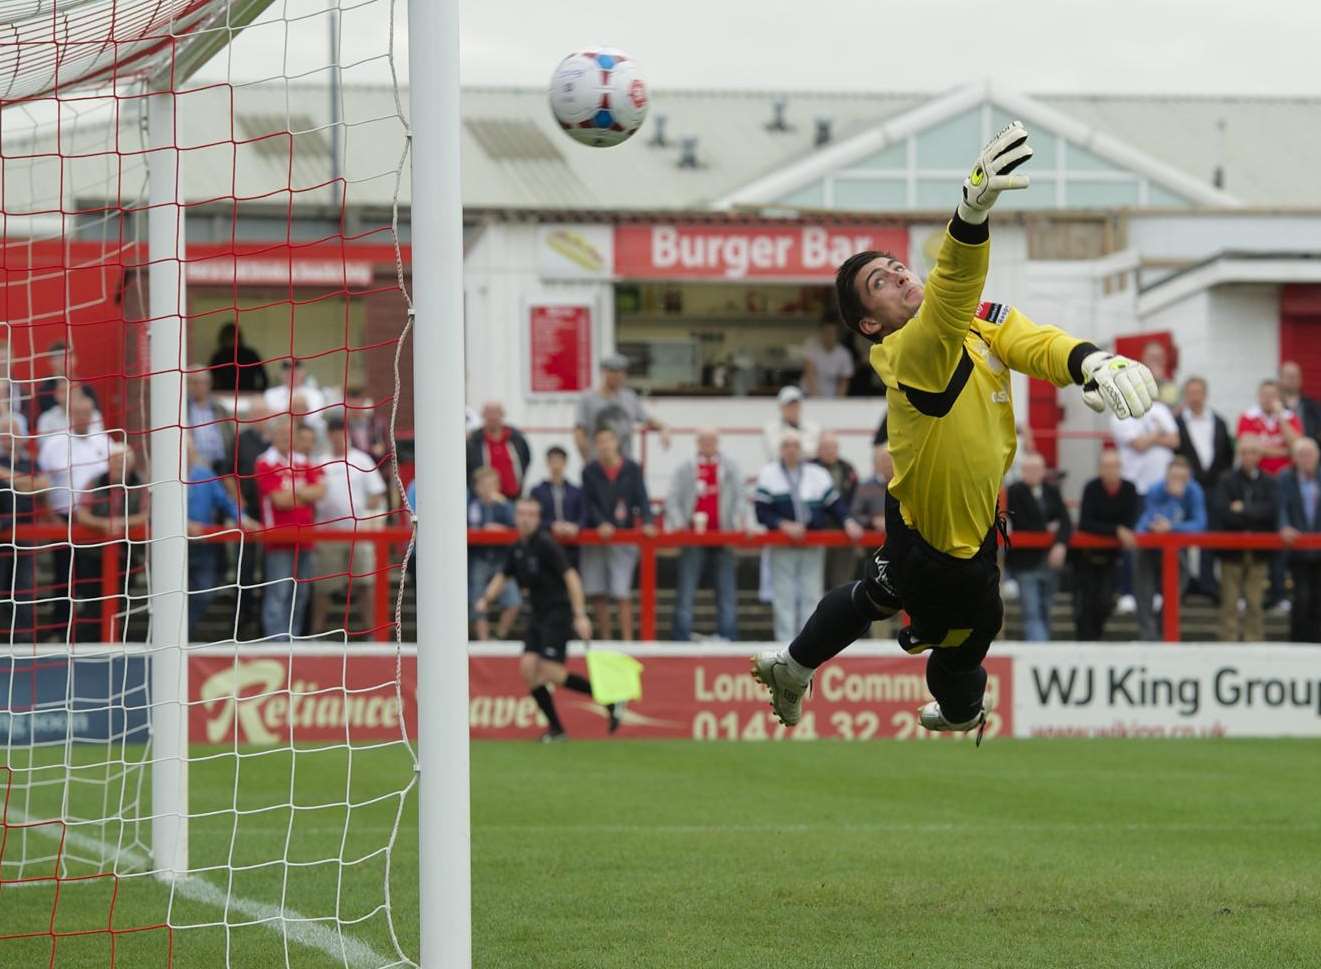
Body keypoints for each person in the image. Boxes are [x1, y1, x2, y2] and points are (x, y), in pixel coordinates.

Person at [750, 122, 1159, 739]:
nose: (898, 276)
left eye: (894, 267)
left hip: (920, 510)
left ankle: (794, 664)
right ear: (868, 326)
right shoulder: (907, 348)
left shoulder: (974, 320)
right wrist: (970, 214)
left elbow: (1033, 340)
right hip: (946, 547)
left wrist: (1088, 362)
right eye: (880, 284)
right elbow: (953, 286)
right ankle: (962, 710)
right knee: (966, 640)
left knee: (878, 595)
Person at [474, 498, 623, 741]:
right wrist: (486, 599)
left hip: (558, 612)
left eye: (530, 514)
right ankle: (557, 729)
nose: (525, 519)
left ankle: (609, 699)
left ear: (537, 518)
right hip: (538, 613)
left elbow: (571, 577)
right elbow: (503, 576)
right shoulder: (518, 548)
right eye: (521, 513)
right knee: (528, 669)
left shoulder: (546, 544)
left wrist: (580, 614)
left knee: (550, 671)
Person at [754, 431, 863, 644]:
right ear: (780, 449)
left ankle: (808, 645)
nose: (791, 449)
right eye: (787, 445)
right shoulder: (769, 473)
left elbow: (835, 505)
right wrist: (783, 525)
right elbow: (762, 512)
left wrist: (849, 522)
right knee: (784, 597)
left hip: (811, 542)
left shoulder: (817, 473)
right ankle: (784, 645)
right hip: (783, 544)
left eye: (795, 445)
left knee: (811, 595)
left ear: (802, 449)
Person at [37, 394, 111, 638]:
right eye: (79, 413)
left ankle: (90, 632)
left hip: (96, 523)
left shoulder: (105, 442)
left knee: (92, 577)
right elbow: (43, 485)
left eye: (88, 413)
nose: (83, 417)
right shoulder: (54, 444)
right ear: (70, 414)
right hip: (63, 520)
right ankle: (60, 631)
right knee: (63, 577)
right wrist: (50, 517)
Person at [665, 428, 747, 642]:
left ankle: (728, 635)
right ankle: (681, 636)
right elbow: (672, 498)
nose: (708, 444)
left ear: (718, 442)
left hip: (723, 536)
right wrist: (680, 525)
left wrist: (738, 522)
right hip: (693, 538)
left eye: (712, 440)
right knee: (686, 590)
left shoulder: (730, 467)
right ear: (697, 442)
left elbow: (741, 497)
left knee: (726, 590)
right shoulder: (686, 467)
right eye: (704, 440)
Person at [314, 412, 389, 637]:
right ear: (328, 435)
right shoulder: (319, 461)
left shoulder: (362, 459)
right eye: (334, 433)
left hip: (359, 533)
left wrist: (366, 517)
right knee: (323, 588)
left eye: (341, 432)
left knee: (365, 584)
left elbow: (376, 493)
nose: (338, 437)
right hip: (327, 534)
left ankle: (372, 632)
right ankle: (316, 633)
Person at [580, 426, 655, 641]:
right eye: (600, 442)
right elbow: (588, 503)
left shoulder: (632, 468)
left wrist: (647, 522)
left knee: (622, 592)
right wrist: (601, 523)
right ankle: (605, 638)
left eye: (608, 440)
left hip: (624, 536)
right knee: (598, 592)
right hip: (597, 537)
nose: (604, 446)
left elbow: (642, 498)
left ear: (616, 443)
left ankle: (627, 640)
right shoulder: (589, 471)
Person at [254, 419, 326, 641]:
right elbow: (279, 500)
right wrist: (304, 492)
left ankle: (292, 637)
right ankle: (277, 640)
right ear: (273, 437)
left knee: (301, 592)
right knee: (279, 591)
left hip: (305, 536)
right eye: (282, 435)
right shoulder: (265, 462)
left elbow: (321, 491)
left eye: (290, 435)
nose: (286, 439)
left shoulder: (304, 461)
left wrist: (295, 494)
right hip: (278, 537)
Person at [74, 444, 150, 642]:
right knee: (92, 602)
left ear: (131, 464)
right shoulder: (95, 482)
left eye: (123, 461)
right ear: (108, 462)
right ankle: (87, 644)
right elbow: (81, 514)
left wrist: (121, 524)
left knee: (119, 602)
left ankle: (111, 641)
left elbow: (145, 515)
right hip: (92, 554)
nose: (119, 464)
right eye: (115, 460)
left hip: (127, 555)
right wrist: (104, 525)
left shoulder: (140, 485)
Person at [1211, 436, 1278, 643]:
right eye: (1245, 452)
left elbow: (1271, 512)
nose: (1249, 456)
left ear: (1260, 455)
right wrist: (1252, 515)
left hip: (1259, 551)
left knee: (1255, 602)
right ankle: (1228, 642)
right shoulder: (1226, 479)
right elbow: (1224, 513)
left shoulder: (1269, 481)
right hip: (1232, 550)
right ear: (1240, 454)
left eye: (1253, 452)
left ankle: (1254, 642)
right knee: (1230, 602)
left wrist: (1244, 509)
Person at [186, 438, 254, 637]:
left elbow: (225, 502)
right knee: (169, 596)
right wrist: (183, 523)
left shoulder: (205, 475)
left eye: (188, 451)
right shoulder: (163, 477)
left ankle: (184, 631)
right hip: (171, 549)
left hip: (204, 546)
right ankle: (175, 634)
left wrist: (244, 518)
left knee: (205, 592)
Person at [1134, 456, 1206, 641]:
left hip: (1177, 550)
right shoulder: (1155, 489)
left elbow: (1199, 524)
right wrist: (1161, 520)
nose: (1177, 482)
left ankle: (1163, 632)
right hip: (1151, 548)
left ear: (1188, 478)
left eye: (1182, 478)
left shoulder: (1194, 491)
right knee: (1144, 593)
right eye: (1173, 477)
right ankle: (1148, 638)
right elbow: (1146, 521)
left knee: (1176, 590)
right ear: (1166, 476)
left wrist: (1172, 528)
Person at [1175, 376, 1234, 601]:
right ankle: (1183, 583)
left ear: (1205, 394)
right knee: (1182, 532)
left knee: (1210, 533)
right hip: (1185, 487)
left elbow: (1228, 455)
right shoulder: (1177, 423)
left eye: (1198, 392)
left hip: (1214, 488)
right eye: (1190, 392)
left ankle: (1208, 581)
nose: (1195, 397)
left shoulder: (1219, 422)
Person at [1074, 450, 1141, 640]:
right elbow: (1085, 523)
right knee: (1085, 605)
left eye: (1114, 466)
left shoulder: (1129, 489)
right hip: (1088, 557)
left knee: (1105, 601)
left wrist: (1116, 530)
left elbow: (1131, 521)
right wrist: (1116, 530)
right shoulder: (1091, 488)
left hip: (1114, 558)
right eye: (1106, 466)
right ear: (1100, 469)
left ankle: (1097, 636)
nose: (1110, 470)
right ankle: (1086, 642)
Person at [1005, 452, 1072, 642]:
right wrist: (1049, 528)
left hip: (1049, 560)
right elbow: (1022, 521)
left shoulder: (1052, 491)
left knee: (1046, 609)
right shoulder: (1014, 492)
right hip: (1025, 562)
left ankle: (1043, 650)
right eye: (1029, 469)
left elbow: (1065, 520)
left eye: (1037, 469)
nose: (1033, 473)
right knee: (1032, 611)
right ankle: (1038, 648)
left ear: (1043, 471)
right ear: (1022, 472)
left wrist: (1059, 543)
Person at [0, 415, 47, 639]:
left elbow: (42, 485)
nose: (10, 437)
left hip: (26, 531)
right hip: (2, 531)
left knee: (24, 585)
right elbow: (29, 484)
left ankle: (23, 635)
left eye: (14, 431)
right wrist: (23, 481)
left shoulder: (31, 461)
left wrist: (10, 478)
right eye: (5, 431)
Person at [573, 353, 668, 461]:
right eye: (614, 372)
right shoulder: (588, 399)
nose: (618, 376)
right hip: (598, 463)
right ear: (604, 372)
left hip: (624, 464)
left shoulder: (629, 397)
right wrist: (587, 460)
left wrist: (664, 428)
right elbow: (579, 432)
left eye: (622, 372)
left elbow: (647, 419)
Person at [465, 466, 519, 641]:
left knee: (513, 600)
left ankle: (499, 636)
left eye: (492, 484)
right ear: (477, 487)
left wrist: (500, 526)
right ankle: (483, 640)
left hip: (502, 560)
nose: (488, 489)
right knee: (477, 599)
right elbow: (469, 528)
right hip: (479, 558)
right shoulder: (471, 506)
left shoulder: (505, 505)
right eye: (484, 485)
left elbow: (516, 525)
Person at [1278, 437, 1321, 643]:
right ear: (1294, 458)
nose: (1306, 459)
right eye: (1301, 455)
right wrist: (1284, 527)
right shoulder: (1285, 478)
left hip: (1319, 548)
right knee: (1301, 598)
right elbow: (1281, 508)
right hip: (1297, 549)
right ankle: (1298, 643)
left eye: (1310, 454)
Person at [813, 431, 861, 589]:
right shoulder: (809, 468)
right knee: (817, 578)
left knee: (842, 579)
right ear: (818, 449)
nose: (829, 451)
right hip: (818, 530)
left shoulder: (848, 469)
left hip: (845, 530)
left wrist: (851, 520)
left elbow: (856, 498)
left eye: (833, 447)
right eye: (825, 447)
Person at [465, 401, 531, 500]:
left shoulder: (516, 438)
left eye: (496, 413)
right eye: (489, 413)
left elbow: (526, 459)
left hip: (513, 497)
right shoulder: (474, 441)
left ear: (503, 414)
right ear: (483, 415)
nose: (492, 417)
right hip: (484, 500)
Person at [528, 446, 584, 561]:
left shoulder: (576, 492)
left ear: (565, 463)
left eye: (559, 461)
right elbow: (533, 518)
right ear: (547, 463)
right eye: (553, 461)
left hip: (571, 546)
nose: (556, 466)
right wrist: (551, 525)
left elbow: (583, 514)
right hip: (545, 545)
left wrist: (576, 526)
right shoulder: (537, 491)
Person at [1238, 379, 1302, 477]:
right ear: (1258, 396)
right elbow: (1250, 450)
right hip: (1257, 475)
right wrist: (1286, 452)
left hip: (1287, 475)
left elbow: (1297, 446)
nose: (1268, 399)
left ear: (1279, 397)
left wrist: (1281, 418)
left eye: (1272, 395)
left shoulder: (1290, 417)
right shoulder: (1247, 417)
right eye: (1265, 395)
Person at [185, 367, 235, 475]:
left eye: (202, 383)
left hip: (221, 466)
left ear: (209, 384)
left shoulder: (219, 408)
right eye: (194, 382)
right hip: (194, 466)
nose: (198, 386)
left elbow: (229, 436)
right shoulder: (183, 408)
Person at [36, 341, 100, 416]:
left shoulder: (86, 388)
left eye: (69, 355)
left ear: (75, 359)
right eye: (59, 357)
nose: (65, 360)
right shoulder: (44, 389)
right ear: (50, 362)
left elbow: (96, 415)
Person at [208, 321, 270, 393]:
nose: (231, 339)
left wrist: (257, 393)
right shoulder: (218, 356)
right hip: (225, 396)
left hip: (248, 395)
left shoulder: (251, 354)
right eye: (228, 336)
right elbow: (209, 378)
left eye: (232, 336)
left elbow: (264, 377)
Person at [761, 385, 821, 459]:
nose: (792, 408)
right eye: (789, 405)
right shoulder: (770, 428)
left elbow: (816, 453)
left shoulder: (814, 427)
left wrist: (788, 447)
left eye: (795, 404)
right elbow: (775, 454)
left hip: (809, 469)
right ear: (780, 407)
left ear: (800, 406)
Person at [801, 321, 854, 399]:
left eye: (832, 333)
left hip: (831, 395)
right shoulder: (812, 348)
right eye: (826, 332)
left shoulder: (844, 354)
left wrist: (838, 399)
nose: (828, 336)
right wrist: (816, 397)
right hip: (809, 394)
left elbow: (844, 381)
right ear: (821, 333)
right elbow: (809, 374)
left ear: (837, 335)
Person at [851, 445, 893, 533]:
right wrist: (873, 521)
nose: (889, 464)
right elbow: (855, 514)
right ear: (877, 463)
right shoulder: (865, 487)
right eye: (885, 460)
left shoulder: (903, 487)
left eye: (892, 460)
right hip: (872, 541)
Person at [1279, 361, 1321, 441]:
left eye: (1295, 376)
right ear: (1280, 379)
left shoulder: (1313, 406)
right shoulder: (1272, 405)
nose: (1292, 379)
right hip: (1281, 451)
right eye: (1288, 376)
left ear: (1301, 379)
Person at [1141, 340, 1180, 408]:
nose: (1155, 361)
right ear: (1144, 359)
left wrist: (1158, 381)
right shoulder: (1133, 384)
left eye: (1158, 358)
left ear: (1164, 361)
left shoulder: (1171, 387)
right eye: (1152, 358)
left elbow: (1171, 410)